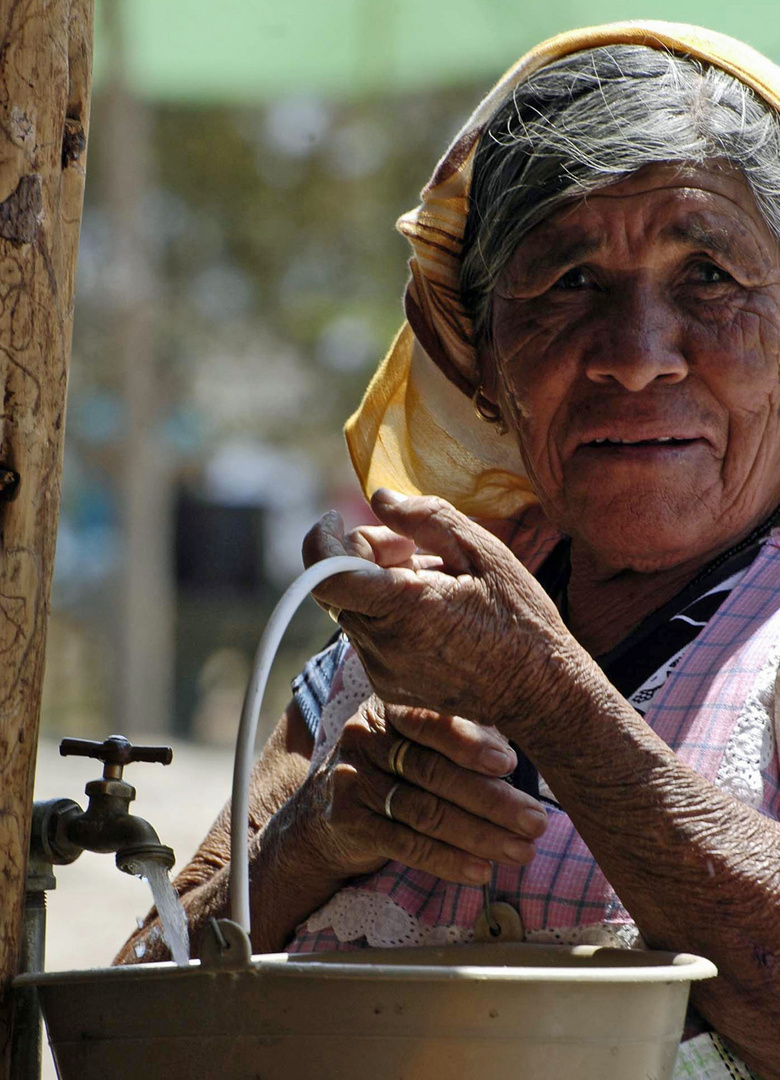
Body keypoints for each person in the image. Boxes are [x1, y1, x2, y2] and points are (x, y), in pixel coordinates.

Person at [118, 21, 780, 1079]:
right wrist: (315, 837)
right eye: (566, 284)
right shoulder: (395, 645)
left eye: (709, 274)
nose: (638, 357)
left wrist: (550, 700)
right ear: (477, 354)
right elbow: (129, 1015)